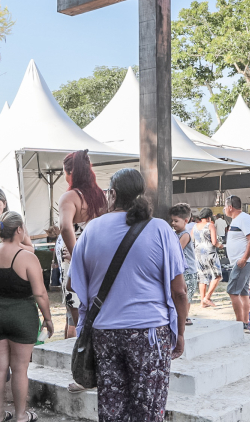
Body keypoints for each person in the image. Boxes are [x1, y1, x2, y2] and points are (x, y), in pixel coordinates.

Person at [69, 168, 188, 422]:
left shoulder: (91, 230)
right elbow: (180, 291)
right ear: (141, 194)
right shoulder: (161, 229)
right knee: (148, 410)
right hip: (150, 334)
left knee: (112, 409)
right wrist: (180, 333)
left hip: (104, 333)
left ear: (112, 194)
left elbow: (72, 283)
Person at [0, 211, 53, 422]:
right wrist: (48, 318)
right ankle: (20, 416)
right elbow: (40, 293)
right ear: (19, 229)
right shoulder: (28, 257)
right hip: (22, 316)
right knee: (20, 369)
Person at [57, 150, 107, 338]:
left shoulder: (70, 197)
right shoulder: (101, 196)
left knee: (79, 315)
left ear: (70, 172)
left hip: (75, 259)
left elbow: (65, 227)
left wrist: (78, 255)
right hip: (98, 258)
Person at [223, 195, 250, 326]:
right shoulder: (237, 220)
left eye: (225, 207)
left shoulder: (244, 219)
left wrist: (244, 259)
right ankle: (246, 320)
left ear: (230, 207)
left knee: (232, 291)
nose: (224, 209)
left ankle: (240, 322)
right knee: (243, 292)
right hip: (240, 261)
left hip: (242, 261)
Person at [169, 203, 196, 325]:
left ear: (186, 221)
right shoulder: (175, 233)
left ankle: (185, 316)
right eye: (172, 220)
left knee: (186, 295)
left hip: (188, 271)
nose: (173, 223)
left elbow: (177, 249)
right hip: (181, 270)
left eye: (176, 221)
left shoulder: (185, 235)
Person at [191, 208, 222, 308]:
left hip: (198, 254)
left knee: (202, 278)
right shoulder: (210, 225)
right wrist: (220, 245)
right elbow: (214, 242)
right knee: (217, 276)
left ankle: (202, 302)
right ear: (209, 216)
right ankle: (207, 297)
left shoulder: (194, 226)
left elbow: (192, 240)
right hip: (209, 253)